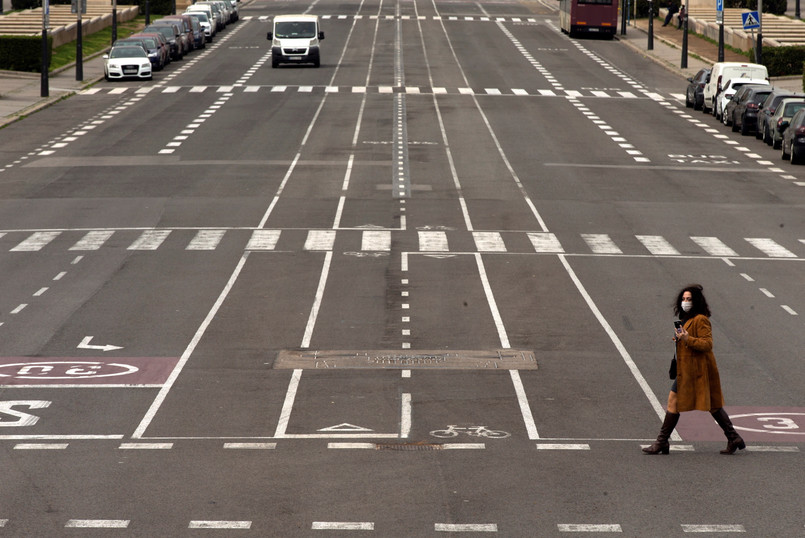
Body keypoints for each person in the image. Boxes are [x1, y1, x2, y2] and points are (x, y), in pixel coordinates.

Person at [643, 284, 746, 455]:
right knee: (689, 403)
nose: (685, 302)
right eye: (683, 299)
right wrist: (680, 339)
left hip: (698, 371)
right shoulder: (685, 319)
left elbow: (707, 343)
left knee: (708, 404)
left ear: (696, 301)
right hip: (688, 370)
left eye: (689, 299)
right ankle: (733, 437)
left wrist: (688, 338)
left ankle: (662, 442)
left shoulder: (700, 319)